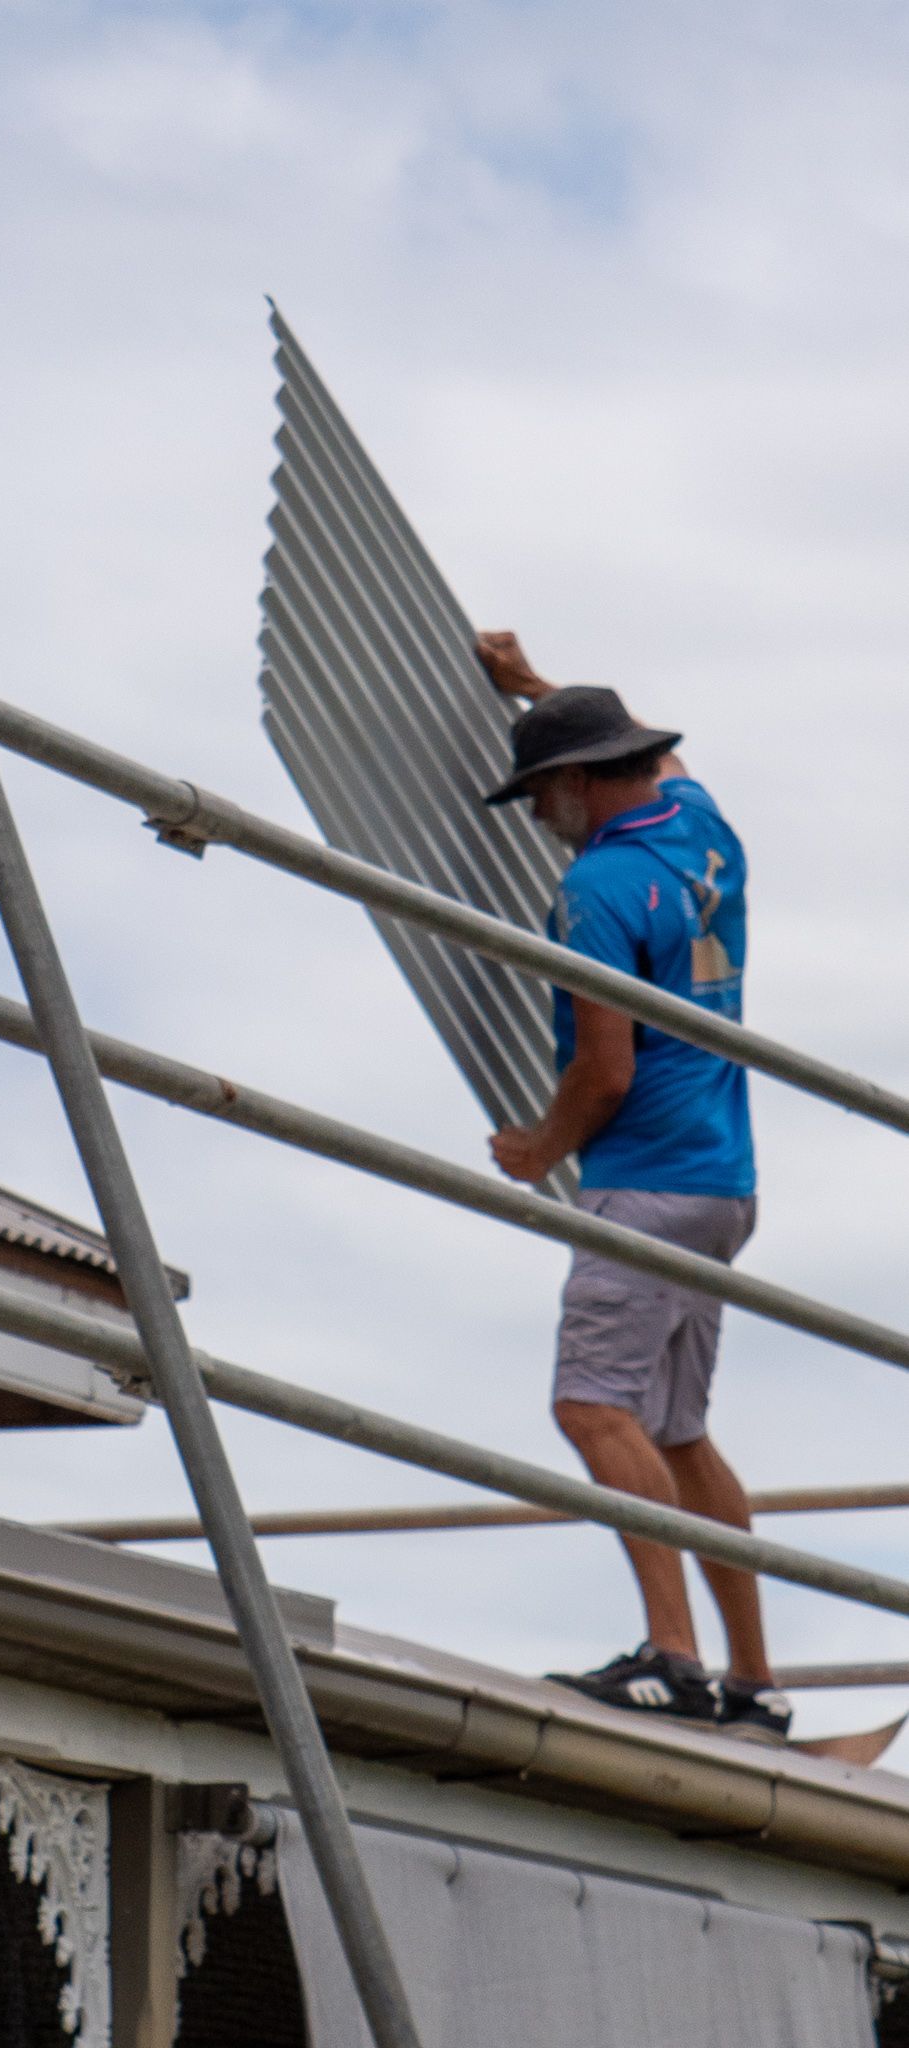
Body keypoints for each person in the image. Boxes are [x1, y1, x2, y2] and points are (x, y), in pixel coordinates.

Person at [475, 629, 791, 1743]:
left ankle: (673, 1659)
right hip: (722, 1179)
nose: (534, 815)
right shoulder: (704, 830)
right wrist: (535, 684)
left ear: (572, 783)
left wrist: (536, 1146)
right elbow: (668, 759)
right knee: (681, 1427)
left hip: (644, 1176)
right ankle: (755, 1680)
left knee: (594, 1405)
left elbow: (602, 1069)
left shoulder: (597, 886)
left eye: (536, 792)